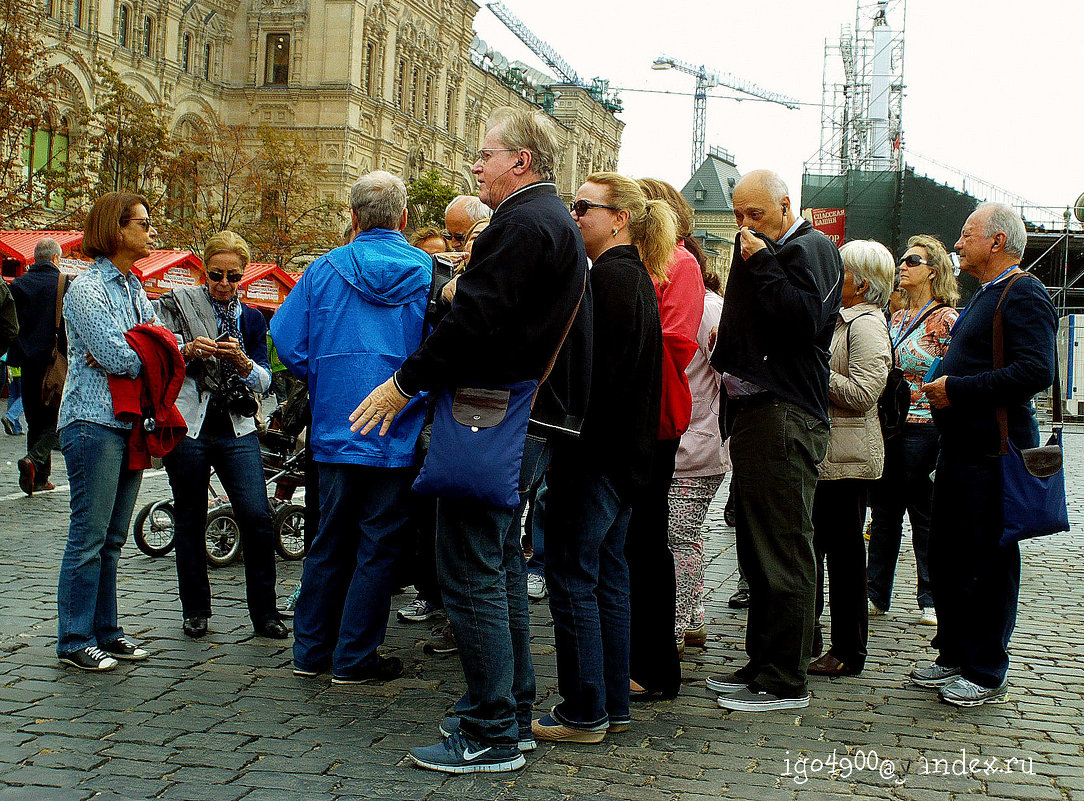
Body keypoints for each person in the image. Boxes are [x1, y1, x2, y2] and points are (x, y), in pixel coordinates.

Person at [350, 107, 590, 774]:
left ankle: (489, 727)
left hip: (491, 413)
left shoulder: (522, 222)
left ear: (523, 161)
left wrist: (403, 384)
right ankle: (507, 713)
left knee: (471, 567)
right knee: (497, 565)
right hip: (517, 415)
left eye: (486, 154)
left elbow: (477, 323)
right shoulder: (549, 221)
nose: (475, 164)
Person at [272, 171, 432, 682]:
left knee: (328, 542)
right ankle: (355, 657)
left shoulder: (323, 269)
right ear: (404, 219)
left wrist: (321, 372)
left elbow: (285, 335)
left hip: (336, 428)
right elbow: (439, 351)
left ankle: (310, 652)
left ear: (354, 217)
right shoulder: (430, 272)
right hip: (397, 430)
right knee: (379, 545)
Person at [532, 173, 667, 743]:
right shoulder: (627, 277)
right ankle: (611, 703)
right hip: (623, 458)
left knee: (572, 577)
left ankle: (585, 708)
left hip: (596, 458)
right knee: (608, 579)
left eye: (584, 206)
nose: (575, 214)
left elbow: (593, 381)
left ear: (620, 219)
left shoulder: (610, 281)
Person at [707, 169, 843, 711]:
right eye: (739, 214)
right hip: (759, 412)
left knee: (783, 549)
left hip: (785, 414)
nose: (745, 226)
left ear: (786, 206)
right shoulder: (773, 249)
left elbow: (807, 319)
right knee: (758, 550)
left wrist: (760, 261)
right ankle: (762, 662)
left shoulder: (811, 247)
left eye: (755, 215)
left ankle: (785, 678)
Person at [913, 203, 1056, 707]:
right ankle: (953, 653)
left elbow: (1037, 371)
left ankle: (985, 668)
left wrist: (959, 388)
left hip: (994, 453)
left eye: (967, 234)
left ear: (997, 242)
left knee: (988, 561)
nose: (957, 243)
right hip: (960, 449)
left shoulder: (1025, 293)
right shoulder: (985, 294)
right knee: (948, 555)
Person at [155, 230, 287, 641]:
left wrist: (245, 362)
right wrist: (187, 349)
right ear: (203, 271)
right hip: (190, 424)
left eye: (233, 276)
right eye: (216, 275)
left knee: (256, 515)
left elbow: (267, 380)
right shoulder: (176, 306)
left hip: (237, 426)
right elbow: (157, 354)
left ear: (244, 276)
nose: (225, 285)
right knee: (190, 517)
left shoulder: (251, 318)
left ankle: (264, 613)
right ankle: (195, 610)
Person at [55, 192, 158, 671]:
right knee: (90, 535)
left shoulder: (135, 288)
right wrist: (139, 352)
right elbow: (122, 356)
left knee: (114, 537)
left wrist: (140, 351)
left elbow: (159, 349)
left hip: (128, 420)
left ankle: (107, 629)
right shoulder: (87, 288)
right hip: (92, 420)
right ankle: (75, 638)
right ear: (116, 230)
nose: (151, 230)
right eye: (143, 222)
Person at [624, 178, 704, 700]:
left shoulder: (681, 263)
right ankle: (638, 659)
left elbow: (676, 343)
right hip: (636, 412)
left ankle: (654, 667)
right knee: (633, 540)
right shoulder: (643, 262)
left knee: (648, 541)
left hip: (651, 414)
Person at [808, 240, 893, 678]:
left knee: (843, 558)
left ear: (860, 282)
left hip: (849, 457)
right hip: (831, 454)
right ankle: (817, 638)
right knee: (821, 550)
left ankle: (848, 650)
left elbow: (863, 393)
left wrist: (814, 369)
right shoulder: (843, 319)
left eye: (841, 270)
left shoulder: (866, 326)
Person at [867, 235, 960, 626]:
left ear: (933, 271)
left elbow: (954, 373)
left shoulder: (946, 319)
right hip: (891, 427)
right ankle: (875, 592)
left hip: (925, 428)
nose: (902, 266)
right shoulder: (897, 316)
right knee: (884, 512)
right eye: (902, 261)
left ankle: (930, 595)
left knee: (924, 513)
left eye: (912, 261)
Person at [669, 262, 729, 655]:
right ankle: (692, 619)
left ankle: (674, 628)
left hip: (698, 442)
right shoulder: (680, 302)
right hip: (678, 441)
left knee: (678, 536)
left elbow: (730, 374)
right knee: (680, 536)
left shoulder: (708, 307)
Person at [9, 237, 67, 495]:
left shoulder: (19, 284)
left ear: (35, 259)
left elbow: (11, 325)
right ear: (56, 258)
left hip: (26, 362)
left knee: (34, 420)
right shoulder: (64, 283)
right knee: (58, 419)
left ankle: (39, 478)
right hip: (55, 362)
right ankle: (34, 460)